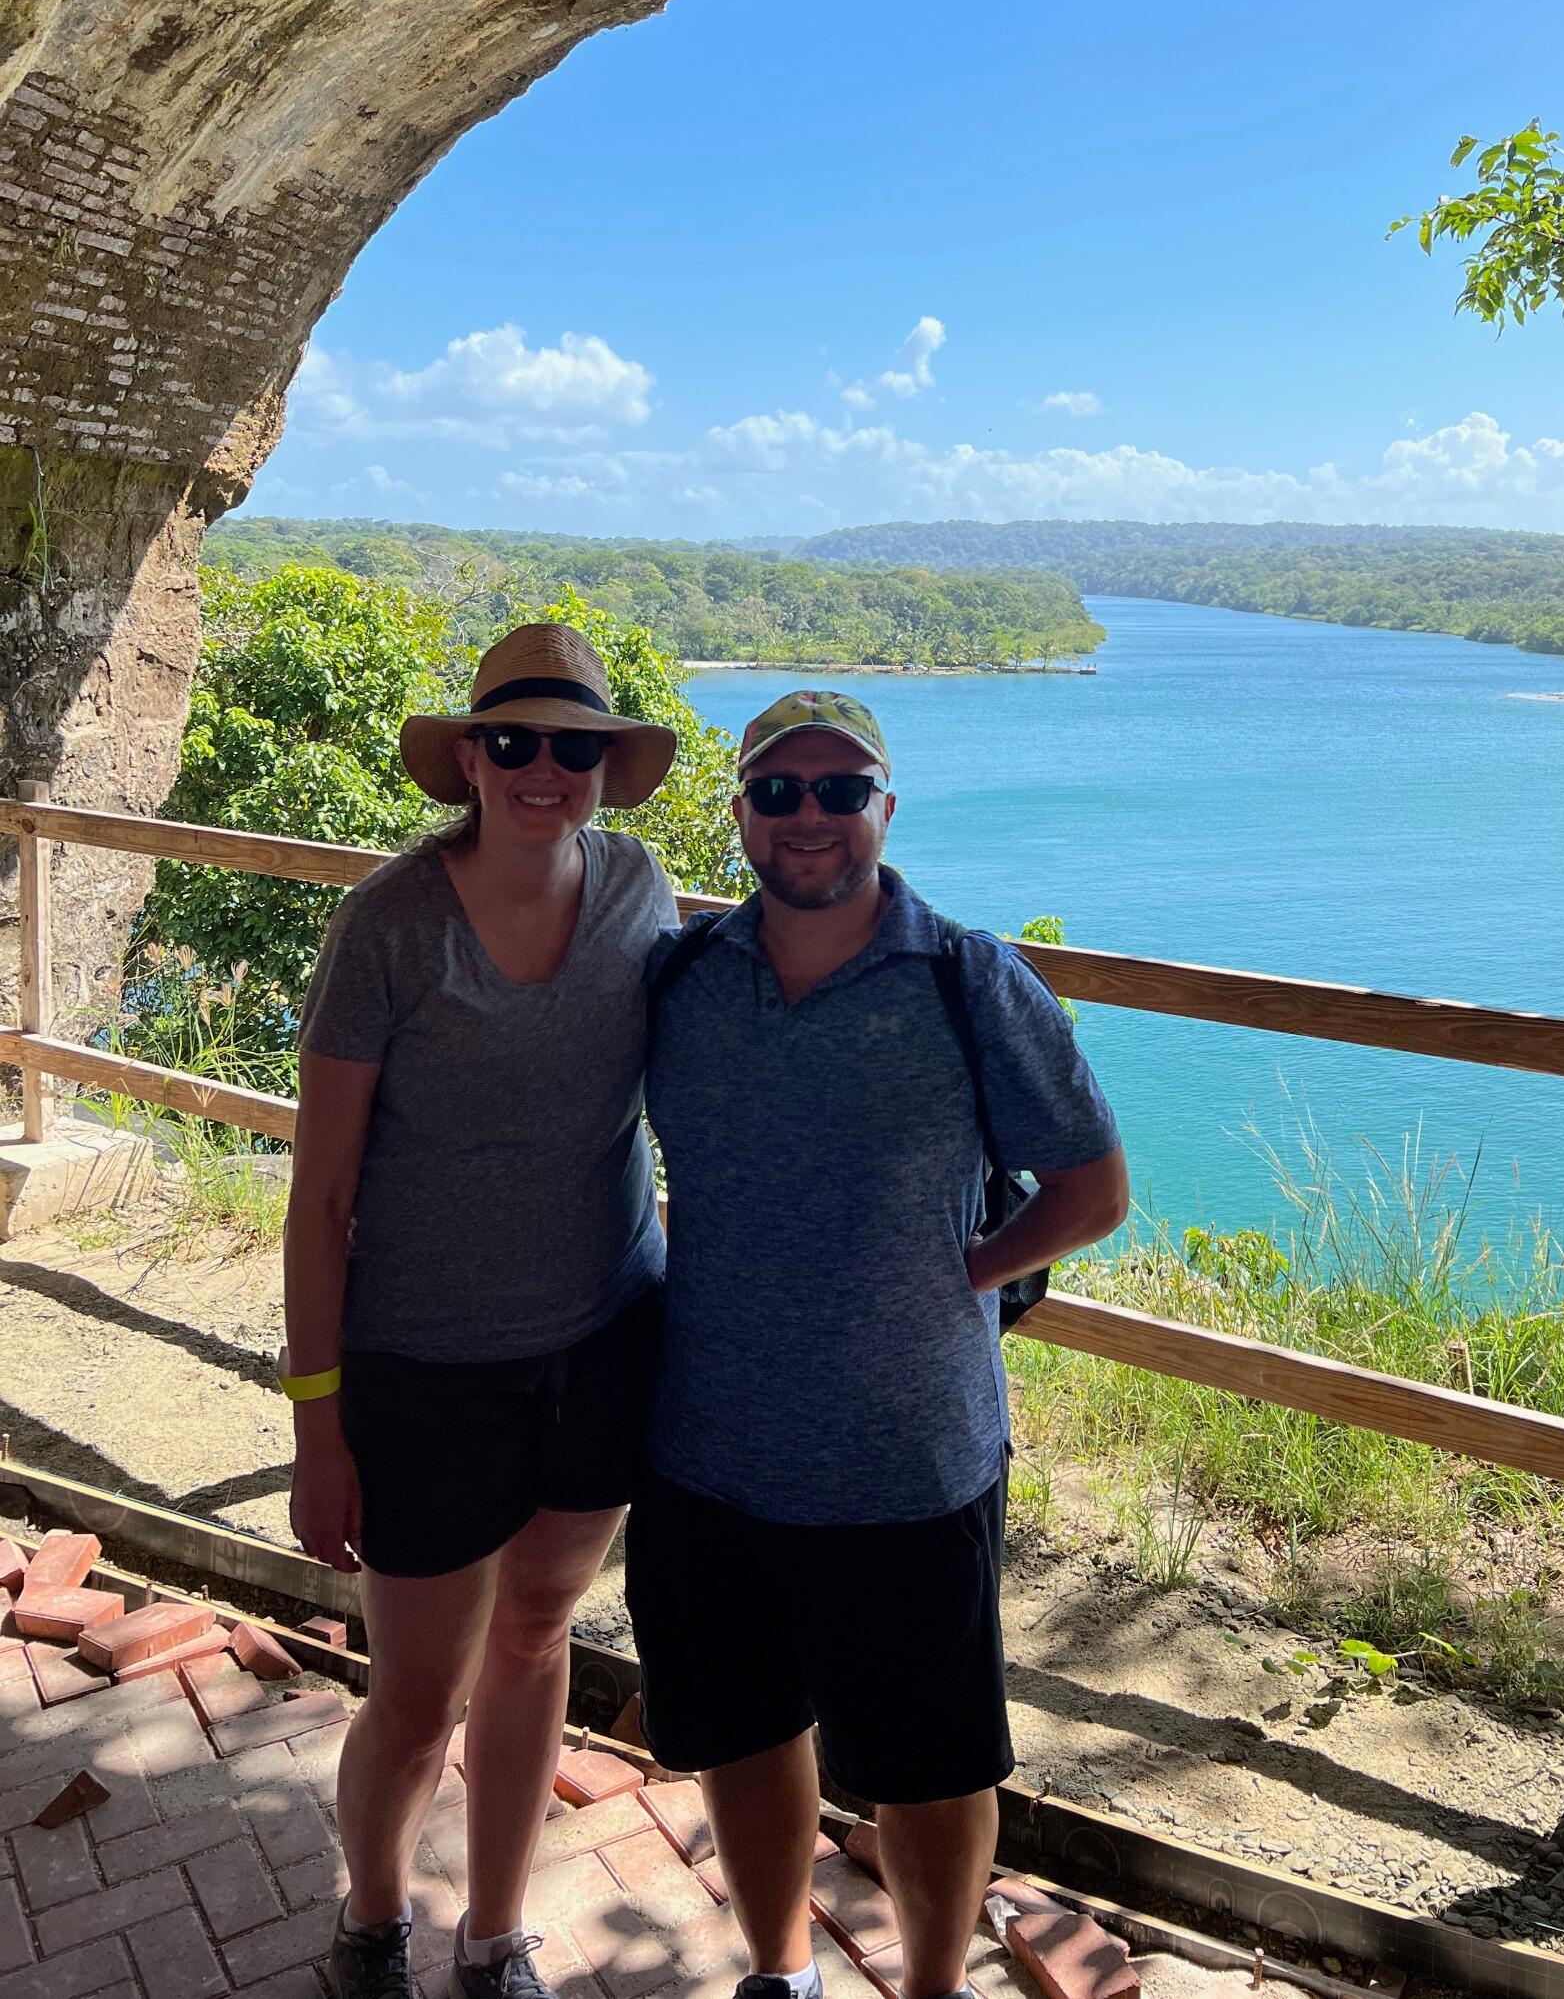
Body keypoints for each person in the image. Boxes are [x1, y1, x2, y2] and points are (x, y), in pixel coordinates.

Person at [626, 688, 1129, 1999]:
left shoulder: (967, 978)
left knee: (933, 1766)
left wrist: (959, 1274)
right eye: (778, 791)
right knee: (744, 1735)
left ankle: (928, 1988)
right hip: (708, 1450)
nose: (809, 817)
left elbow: (1092, 1188)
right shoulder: (683, 978)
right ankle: (777, 1967)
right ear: (738, 814)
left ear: (884, 811)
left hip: (911, 1461)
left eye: (839, 790)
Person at [283, 623, 680, 1999]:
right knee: (411, 1694)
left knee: (533, 1639)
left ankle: (496, 1933)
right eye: (513, 742)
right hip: (425, 1367)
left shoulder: (641, 889)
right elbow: (322, 1192)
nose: (544, 769)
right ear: (468, 757)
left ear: (606, 770)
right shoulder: (390, 922)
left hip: (601, 1341)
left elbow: (714, 1070)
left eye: (576, 747)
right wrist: (318, 1423)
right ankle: (373, 1918)